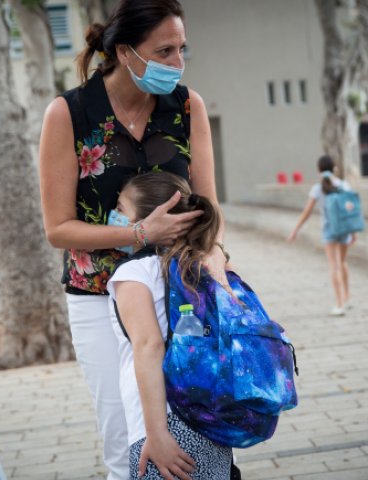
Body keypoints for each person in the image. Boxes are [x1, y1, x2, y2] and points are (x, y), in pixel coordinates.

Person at [38, 1, 226, 477]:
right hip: (99, 297)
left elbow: (207, 206)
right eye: (163, 51)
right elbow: (58, 228)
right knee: (126, 435)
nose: (176, 63)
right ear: (124, 51)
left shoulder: (187, 105)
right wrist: (140, 232)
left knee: (195, 420)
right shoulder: (70, 113)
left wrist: (216, 262)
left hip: (179, 291)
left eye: (182, 49)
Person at [107, 172, 232, 480]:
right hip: (211, 412)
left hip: (164, 422)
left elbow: (148, 347)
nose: (115, 217)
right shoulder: (204, 262)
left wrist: (156, 433)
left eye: (121, 209)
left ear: (152, 217)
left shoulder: (135, 273)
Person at [286, 155, 355, 316]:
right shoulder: (344, 185)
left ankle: (339, 304)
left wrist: (295, 230)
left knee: (334, 266)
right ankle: (347, 297)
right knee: (343, 262)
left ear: (318, 170)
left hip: (329, 231)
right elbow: (350, 209)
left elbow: (307, 212)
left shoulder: (317, 189)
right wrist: (353, 231)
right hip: (344, 229)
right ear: (335, 168)